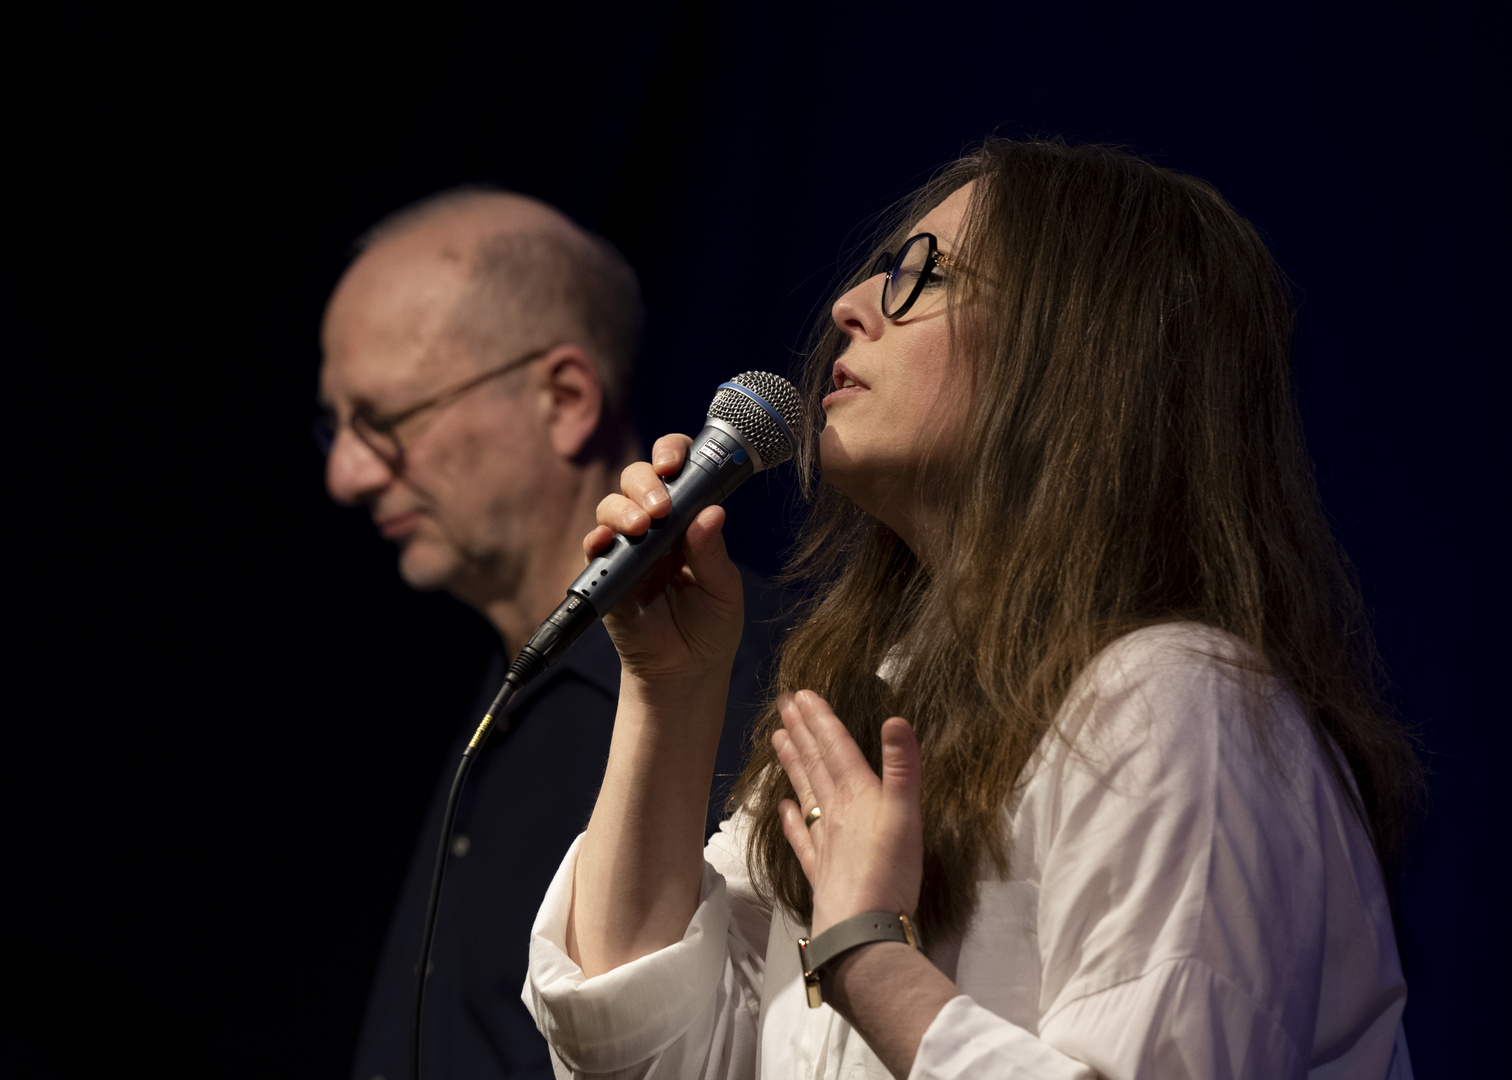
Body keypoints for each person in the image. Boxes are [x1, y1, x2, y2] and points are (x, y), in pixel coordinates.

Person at [521, 138, 1422, 1079]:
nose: (849, 308)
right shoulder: (883, 694)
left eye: (923, 275)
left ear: (1081, 345)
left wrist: (869, 958)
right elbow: (637, 1059)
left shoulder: (1178, 700)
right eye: (879, 269)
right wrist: (669, 691)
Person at [318, 188, 782, 1080]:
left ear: (565, 397)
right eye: (334, 427)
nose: (347, 474)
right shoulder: (499, 688)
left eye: (381, 422)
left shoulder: (746, 680)